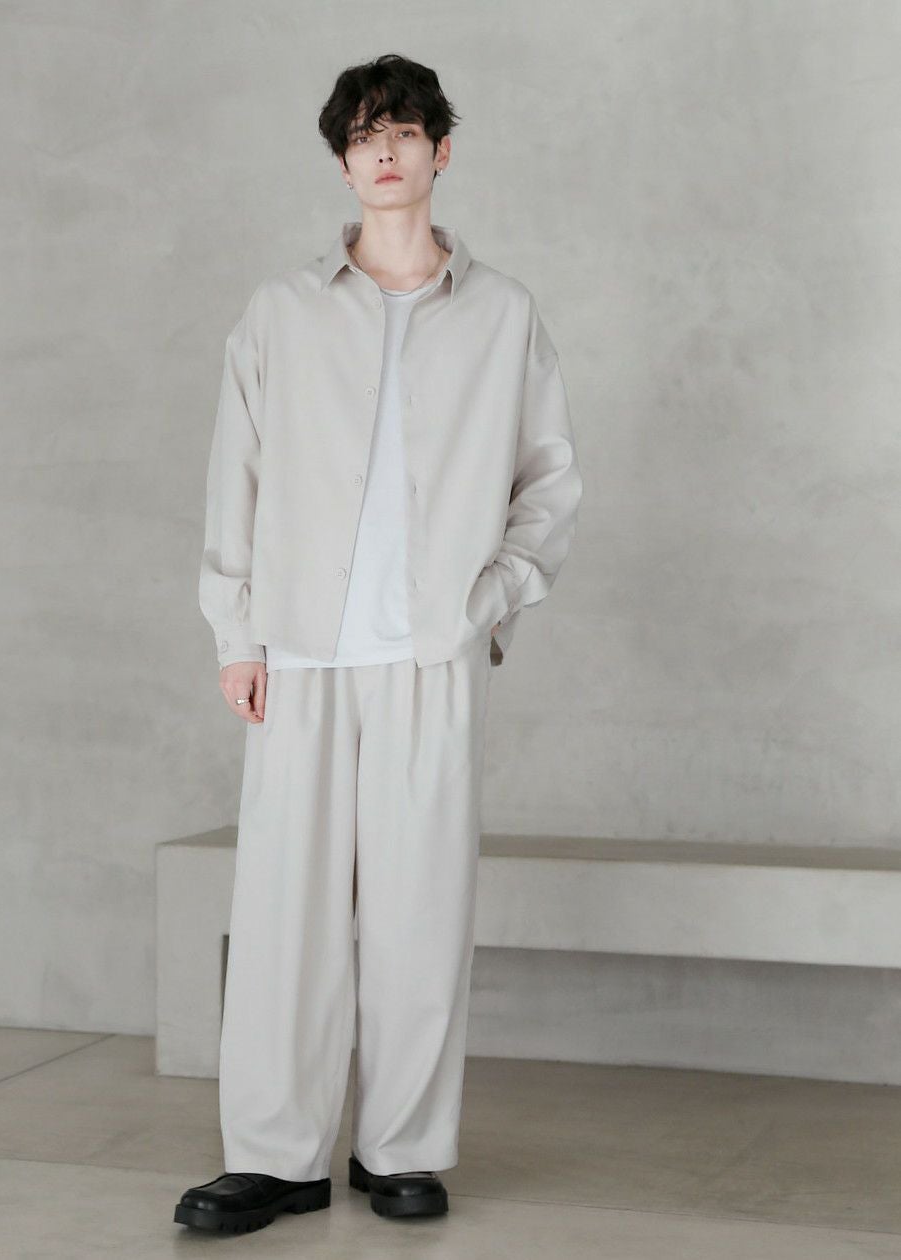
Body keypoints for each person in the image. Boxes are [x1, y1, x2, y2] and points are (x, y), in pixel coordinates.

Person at [176, 52, 582, 1235]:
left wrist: (489, 599)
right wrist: (236, 632)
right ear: (343, 162)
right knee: (284, 915)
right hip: (298, 651)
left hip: (429, 659)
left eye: (402, 131)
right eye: (362, 136)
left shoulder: (503, 314)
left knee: (420, 910)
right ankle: (275, 1156)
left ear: (440, 150)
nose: (384, 152)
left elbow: (550, 482)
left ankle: (402, 1148)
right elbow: (235, 479)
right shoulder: (280, 313)